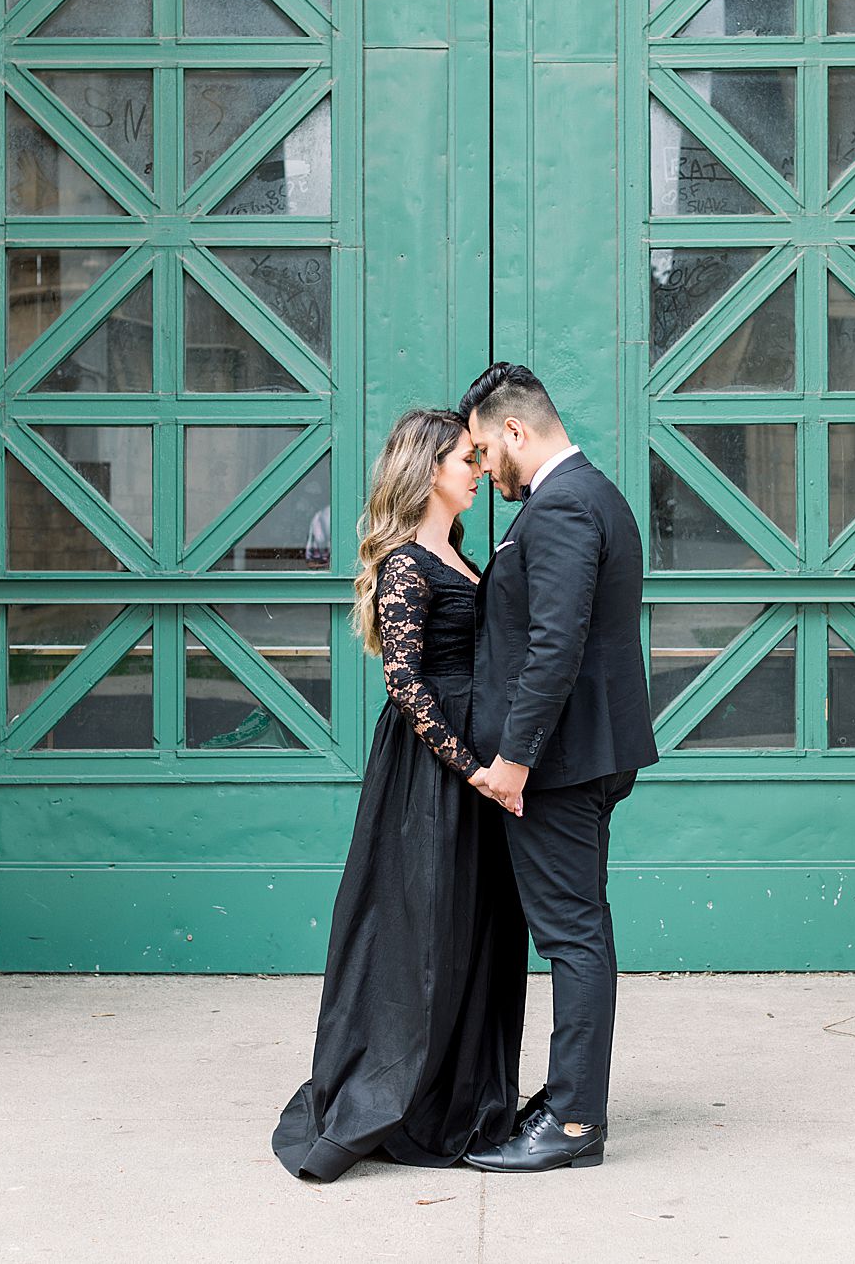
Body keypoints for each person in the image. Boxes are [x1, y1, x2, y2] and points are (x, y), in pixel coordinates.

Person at [272, 409, 527, 1181]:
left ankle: (465, 1095)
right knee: (421, 933)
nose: (477, 469)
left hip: (472, 765)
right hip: (431, 772)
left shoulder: (458, 552)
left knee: (474, 931)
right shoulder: (407, 564)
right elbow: (406, 683)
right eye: (463, 459)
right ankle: (401, 1095)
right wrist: (469, 765)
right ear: (427, 471)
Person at [457, 363, 658, 1173]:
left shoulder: (566, 503)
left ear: (514, 430)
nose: (479, 469)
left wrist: (512, 760)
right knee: (580, 927)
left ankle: (575, 1122)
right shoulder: (586, 494)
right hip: (582, 756)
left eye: (479, 450)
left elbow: (555, 644)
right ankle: (571, 1095)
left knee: (573, 933)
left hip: (560, 766)